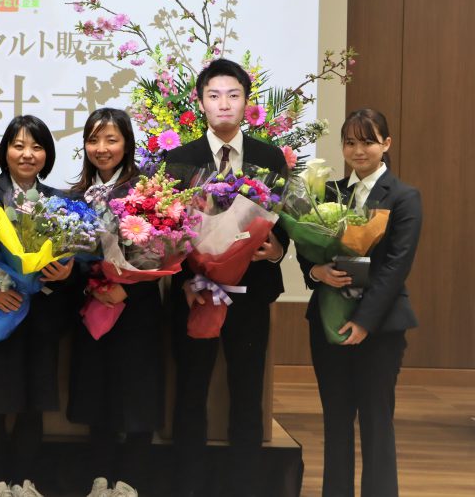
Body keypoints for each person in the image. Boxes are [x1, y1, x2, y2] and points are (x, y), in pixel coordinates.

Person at [163, 58, 289, 497]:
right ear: (200, 102)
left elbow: (284, 222)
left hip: (250, 294)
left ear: (246, 102)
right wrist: (185, 278)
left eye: (233, 95)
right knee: (191, 390)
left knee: (247, 391)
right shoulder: (179, 159)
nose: (223, 104)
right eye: (214, 95)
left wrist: (277, 250)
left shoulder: (269, 158)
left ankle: (244, 486)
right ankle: (188, 486)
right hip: (196, 294)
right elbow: (168, 227)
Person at [298, 109, 421, 497]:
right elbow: (305, 249)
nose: (358, 150)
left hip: (379, 328)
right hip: (328, 322)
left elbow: (396, 267)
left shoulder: (404, 197)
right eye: (350, 142)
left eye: (368, 141)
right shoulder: (328, 193)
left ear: (386, 144)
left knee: (376, 421)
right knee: (335, 420)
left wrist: (365, 320)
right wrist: (316, 271)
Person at [0, 115, 75, 490]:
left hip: (41, 318)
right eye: (19, 145)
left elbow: (72, 256)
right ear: (5, 151)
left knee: (33, 406)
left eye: (37, 147)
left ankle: (23, 483)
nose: (28, 154)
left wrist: (65, 272)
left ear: (47, 154)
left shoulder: (60, 201)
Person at [65, 107, 156, 494]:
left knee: (137, 396)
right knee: (98, 395)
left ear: (127, 144)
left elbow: (163, 252)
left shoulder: (146, 193)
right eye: (93, 140)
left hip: (138, 310)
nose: (101, 148)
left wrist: (128, 288)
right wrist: (91, 284)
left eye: (111, 139)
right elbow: (69, 254)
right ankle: (99, 479)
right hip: (95, 307)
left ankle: (129, 482)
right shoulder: (75, 198)